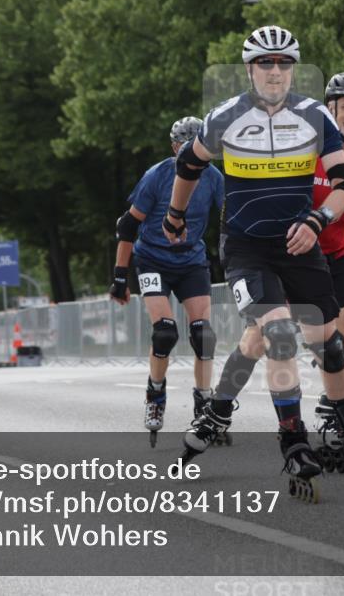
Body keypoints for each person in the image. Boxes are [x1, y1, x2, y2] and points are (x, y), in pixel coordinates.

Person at [164, 25, 344, 502]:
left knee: (331, 346)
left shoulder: (312, 117)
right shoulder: (225, 116)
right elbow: (189, 164)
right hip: (245, 248)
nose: (275, 71)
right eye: (266, 63)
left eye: (285, 63)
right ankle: (293, 441)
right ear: (249, 69)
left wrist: (318, 217)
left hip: (300, 243)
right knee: (278, 333)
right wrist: (176, 215)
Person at [201, 72, 344, 474]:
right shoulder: (302, 147)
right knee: (260, 341)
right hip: (283, 253)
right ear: (330, 110)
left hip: (334, 253)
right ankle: (218, 406)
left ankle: (335, 410)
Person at [109, 116, 224, 447]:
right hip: (153, 260)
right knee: (165, 333)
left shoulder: (214, 178)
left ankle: (204, 404)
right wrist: (120, 275)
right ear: (174, 148)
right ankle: (155, 395)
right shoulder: (157, 176)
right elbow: (128, 226)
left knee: (204, 334)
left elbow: (227, 219)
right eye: (184, 148)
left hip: (191, 261)